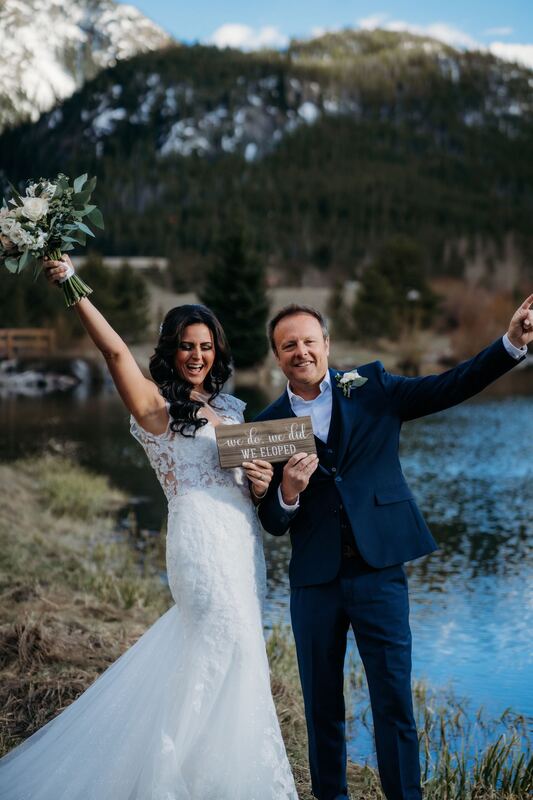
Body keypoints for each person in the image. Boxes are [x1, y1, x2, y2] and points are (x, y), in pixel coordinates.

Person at [0, 254, 298, 800]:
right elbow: (113, 350)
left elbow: (254, 490)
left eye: (206, 347)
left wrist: (262, 481)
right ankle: (170, 778)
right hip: (200, 540)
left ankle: (224, 777)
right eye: (187, 345)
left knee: (240, 650)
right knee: (219, 638)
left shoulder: (230, 409)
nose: (197, 356)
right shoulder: (155, 407)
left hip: (241, 542)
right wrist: (72, 285)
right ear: (170, 349)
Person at [255, 297, 532, 800]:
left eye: (308, 341)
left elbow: (451, 385)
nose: (301, 351)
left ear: (326, 345)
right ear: (277, 356)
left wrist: (510, 343)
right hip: (314, 583)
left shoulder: (374, 386)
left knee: (394, 704)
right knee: (321, 709)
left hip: (379, 572)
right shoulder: (266, 425)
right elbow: (271, 520)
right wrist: (288, 493)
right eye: (288, 344)